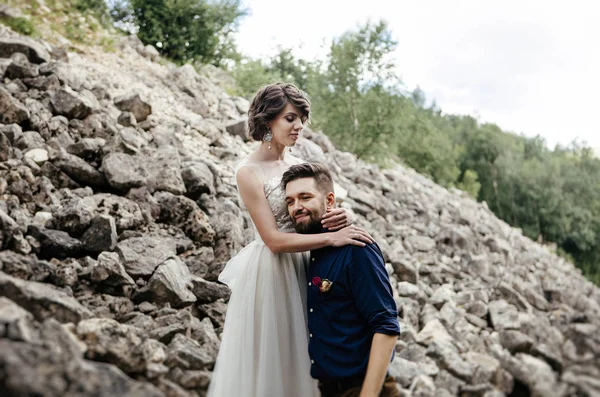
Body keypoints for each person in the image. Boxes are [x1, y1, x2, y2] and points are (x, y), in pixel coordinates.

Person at [207, 83, 374, 397]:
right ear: (268, 121)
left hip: (309, 264)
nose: (299, 126)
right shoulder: (248, 171)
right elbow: (271, 238)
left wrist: (345, 217)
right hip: (272, 270)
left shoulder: (300, 166)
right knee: (277, 356)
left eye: (301, 118)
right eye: (290, 118)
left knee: (311, 348)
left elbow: (329, 204)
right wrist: (332, 239)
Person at [282, 163, 401, 397]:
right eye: (290, 201)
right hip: (329, 388)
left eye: (305, 197)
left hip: (363, 388)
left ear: (329, 201)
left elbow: (386, 327)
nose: (297, 207)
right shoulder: (312, 251)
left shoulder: (357, 249)